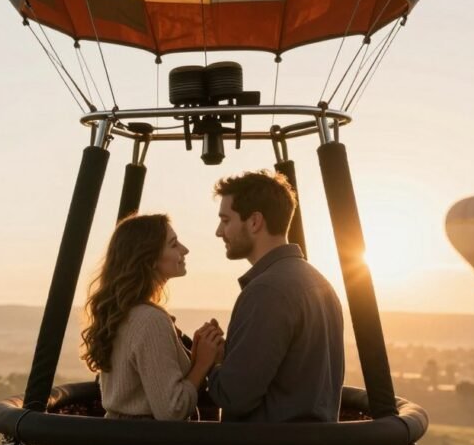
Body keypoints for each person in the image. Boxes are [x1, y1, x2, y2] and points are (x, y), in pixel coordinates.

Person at [204, 171, 345, 423]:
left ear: (255, 222)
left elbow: (235, 396)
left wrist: (211, 363)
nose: (218, 231)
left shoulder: (267, 291)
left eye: (225, 220)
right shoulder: (318, 282)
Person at [81, 214, 224, 420]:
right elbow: (171, 411)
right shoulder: (150, 320)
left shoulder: (127, 313)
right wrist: (202, 364)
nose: (185, 250)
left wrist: (195, 356)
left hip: (120, 441)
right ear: (150, 258)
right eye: (174, 245)